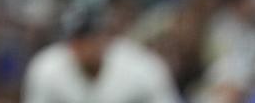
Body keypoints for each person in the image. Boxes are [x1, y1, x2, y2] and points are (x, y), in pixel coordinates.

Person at [23, 8, 181, 103]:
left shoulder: (142, 67)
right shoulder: (47, 67)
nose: (87, 45)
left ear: (106, 38)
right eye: (79, 39)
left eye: (93, 37)